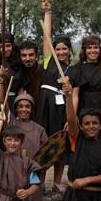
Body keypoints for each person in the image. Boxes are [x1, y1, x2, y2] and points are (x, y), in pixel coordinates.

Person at [3, 90, 47, 201]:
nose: (24, 109)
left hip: (32, 176)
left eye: (27, 106)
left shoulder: (39, 130)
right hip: (13, 176)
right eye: (20, 106)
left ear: (32, 109)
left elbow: (47, 154)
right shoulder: (10, 124)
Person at [35, 36, 73, 192]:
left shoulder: (73, 69)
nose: (61, 52)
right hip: (44, 108)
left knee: (61, 144)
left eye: (64, 49)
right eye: (58, 49)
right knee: (44, 144)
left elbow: (74, 95)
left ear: (70, 50)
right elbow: (46, 37)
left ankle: (57, 182)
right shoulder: (49, 62)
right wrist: (48, 12)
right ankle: (41, 182)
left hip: (61, 110)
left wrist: (70, 118)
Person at [70, 35, 101, 146]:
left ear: (100, 49)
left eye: (95, 47)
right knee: (84, 140)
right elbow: (75, 95)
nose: (93, 50)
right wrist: (73, 116)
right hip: (85, 106)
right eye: (89, 48)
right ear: (84, 50)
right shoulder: (77, 68)